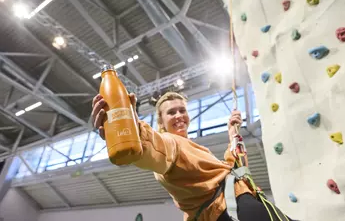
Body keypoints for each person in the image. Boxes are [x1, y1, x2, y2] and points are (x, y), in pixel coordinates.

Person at [92, 91, 291, 221]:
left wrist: (232, 134)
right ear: (160, 122)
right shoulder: (170, 144)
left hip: (240, 205)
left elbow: (231, 168)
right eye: (171, 113)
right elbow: (151, 148)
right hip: (234, 211)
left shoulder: (194, 149)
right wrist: (129, 130)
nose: (179, 115)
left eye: (182, 110)